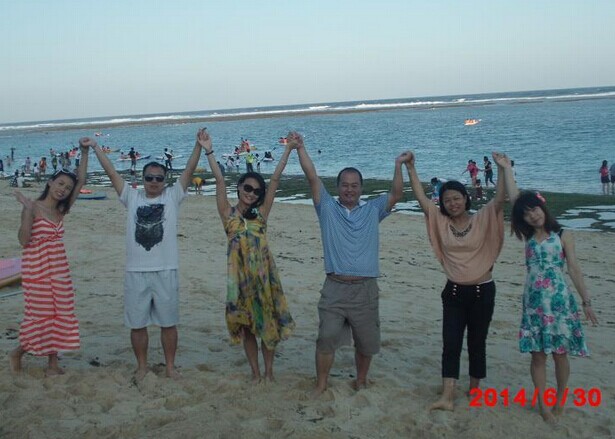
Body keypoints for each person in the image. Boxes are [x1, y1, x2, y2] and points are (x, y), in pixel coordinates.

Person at [287, 131, 408, 396]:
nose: (349, 189)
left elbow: (396, 193)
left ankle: (361, 381)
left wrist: (399, 165)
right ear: (338, 187)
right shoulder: (327, 208)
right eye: (345, 185)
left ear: (361, 188)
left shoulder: (372, 210)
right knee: (326, 337)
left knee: (366, 341)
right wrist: (300, 148)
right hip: (335, 287)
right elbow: (312, 176)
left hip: (365, 289)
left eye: (354, 185)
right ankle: (321, 384)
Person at [91, 129, 205, 381]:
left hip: (166, 270)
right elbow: (111, 173)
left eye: (159, 178)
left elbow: (188, 170)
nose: (154, 182)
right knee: (137, 324)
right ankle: (141, 366)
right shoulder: (131, 197)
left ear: (165, 180)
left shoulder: (172, 197)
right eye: (149, 178)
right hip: (136, 271)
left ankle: (170, 366)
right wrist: (96, 147)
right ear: (142, 179)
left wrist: (198, 146)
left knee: (169, 323)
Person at [497, 153, 598, 422]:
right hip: (534, 303)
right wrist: (506, 169)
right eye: (527, 213)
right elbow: (516, 199)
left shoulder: (563, 234)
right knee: (538, 356)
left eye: (535, 209)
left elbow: (574, 269)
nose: (532, 215)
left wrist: (586, 302)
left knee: (560, 355)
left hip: (559, 302)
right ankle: (542, 403)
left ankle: (560, 399)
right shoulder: (529, 235)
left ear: (543, 207)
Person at [404, 151, 506, 411]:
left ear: (465, 198)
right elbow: (421, 198)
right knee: (451, 343)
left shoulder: (482, 218)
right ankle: (447, 396)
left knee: (477, 343)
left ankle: (475, 390)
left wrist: (502, 169)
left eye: (457, 198)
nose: (452, 203)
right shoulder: (440, 222)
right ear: (442, 203)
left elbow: (499, 199)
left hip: (483, 291)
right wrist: (411, 168)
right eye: (447, 200)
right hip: (453, 293)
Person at [202, 132, 295, 382]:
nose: (251, 193)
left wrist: (288, 150)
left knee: (268, 325)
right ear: (240, 187)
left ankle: (269, 373)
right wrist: (209, 150)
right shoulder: (227, 214)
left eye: (256, 191)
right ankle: (255, 373)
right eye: (247, 188)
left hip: (264, 279)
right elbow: (219, 180)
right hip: (239, 281)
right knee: (247, 329)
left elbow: (275, 180)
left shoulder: (262, 214)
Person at [10, 138, 91, 375]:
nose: (63, 189)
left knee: (59, 314)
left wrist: (85, 152)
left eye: (67, 188)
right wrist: (27, 211)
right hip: (37, 270)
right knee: (40, 315)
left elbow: (81, 180)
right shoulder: (33, 207)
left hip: (59, 269)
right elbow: (23, 240)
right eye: (60, 183)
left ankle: (53, 364)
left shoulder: (61, 209)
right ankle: (17, 352)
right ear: (50, 182)